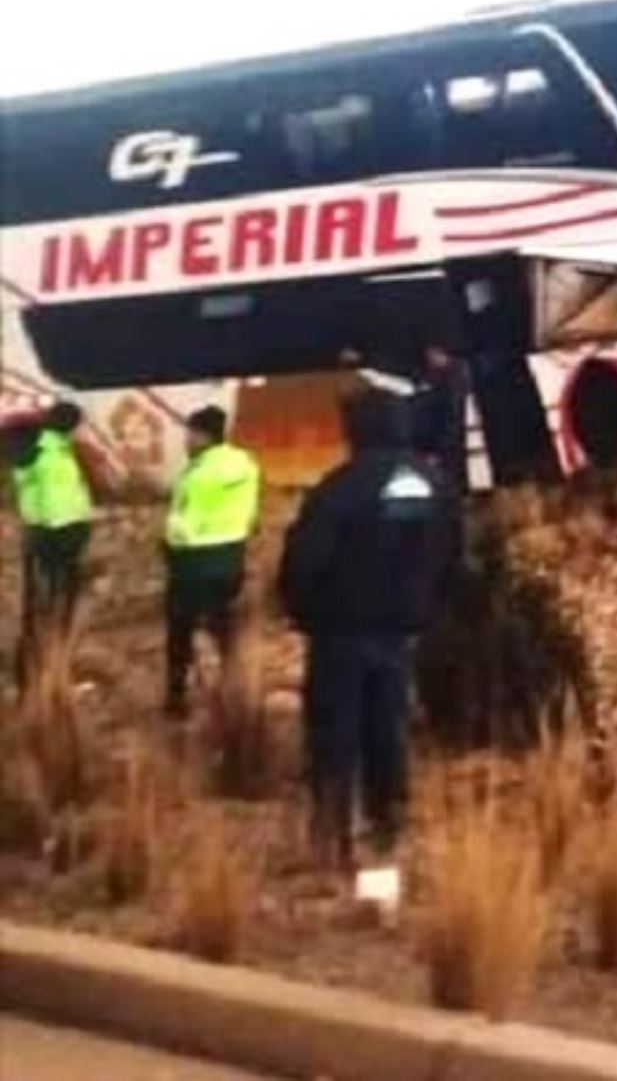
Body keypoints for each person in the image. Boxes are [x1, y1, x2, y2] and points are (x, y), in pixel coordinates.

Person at [279, 388, 453, 866]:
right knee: (389, 728)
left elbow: (306, 558)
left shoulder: (340, 487)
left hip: (341, 630)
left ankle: (332, 834)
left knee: (336, 732)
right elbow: (450, 553)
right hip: (402, 629)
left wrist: (301, 610)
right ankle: (389, 826)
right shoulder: (432, 483)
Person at [163, 406, 262, 717]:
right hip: (231, 555)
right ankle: (235, 692)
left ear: (203, 435)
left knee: (181, 629)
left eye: (190, 434)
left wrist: (167, 547)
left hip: (194, 560)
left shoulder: (197, 474)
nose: (186, 441)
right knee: (224, 628)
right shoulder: (245, 464)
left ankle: (177, 697)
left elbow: (181, 524)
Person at [10, 402, 94, 683]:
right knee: (45, 603)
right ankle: (35, 669)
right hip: (50, 535)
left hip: (64, 533)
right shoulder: (39, 449)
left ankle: (54, 662)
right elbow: (30, 483)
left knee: (55, 600)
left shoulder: (58, 448)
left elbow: (68, 492)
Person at [411, 342, 470, 494]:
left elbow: (452, 418)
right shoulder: (439, 375)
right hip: (436, 445)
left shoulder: (453, 378)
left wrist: (439, 451)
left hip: (444, 448)